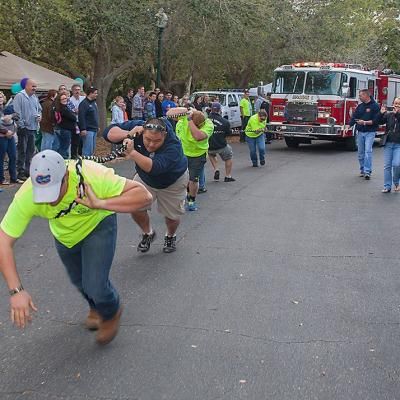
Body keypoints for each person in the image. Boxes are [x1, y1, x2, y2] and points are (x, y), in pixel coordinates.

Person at [0, 150, 152, 344]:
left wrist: (100, 203)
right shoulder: (27, 194)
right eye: (43, 193)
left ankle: (111, 311)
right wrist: (16, 290)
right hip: (65, 235)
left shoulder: (90, 175)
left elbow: (144, 196)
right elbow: (4, 240)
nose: (49, 200)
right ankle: (95, 306)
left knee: (95, 284)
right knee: (79, 281)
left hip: (97, 224)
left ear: (66, 176)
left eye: (53, 191)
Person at [104, 118, 188, 253]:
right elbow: (108, 133)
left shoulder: (174, 146)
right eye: (148, 139)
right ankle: (147, 233)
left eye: (157, 141)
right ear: (143, 131)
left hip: (172, 181)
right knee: (134, 205)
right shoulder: (138, 126)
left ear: (164, 136)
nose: (151, 145)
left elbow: (154, 167)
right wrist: (128, 134)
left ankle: (170, 236)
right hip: (145, 178)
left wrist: (131, 153)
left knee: (172, 216)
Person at [170, 108, 214, 211]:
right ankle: (182, 196)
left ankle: (191, 200)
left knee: (193, 179)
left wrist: (190, 122)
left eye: (199, 125)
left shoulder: (208, 125)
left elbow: (198, 136)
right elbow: (170, 113)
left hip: (198, 155)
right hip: (182, 153)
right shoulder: (186, 118)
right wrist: (184, 110)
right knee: (180, 178)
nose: (199, 127)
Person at [13, 79, 42, 181]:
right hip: (23, 128)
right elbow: (16, 112)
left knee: (30, 151)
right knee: (22, 151)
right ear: (26, 86)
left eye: (35, 86)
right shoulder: (19, 96)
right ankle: (20, 172)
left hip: (33, 128)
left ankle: (28, 171)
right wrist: (21, 125)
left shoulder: (34, 97)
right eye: (32, 86)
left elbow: (39, 109)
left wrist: (39, 116)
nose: (34, 88)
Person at [349, 89, 380, 180]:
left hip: (370, 132)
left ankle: (367, 171)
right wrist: (349, 125)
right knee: (360, 153)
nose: (359, 97)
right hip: (360, 132)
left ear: (367, 96)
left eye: (361, 95)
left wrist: (365, 122)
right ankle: (362, 170)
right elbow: (355, 117)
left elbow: (376, 121)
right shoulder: (360, 106)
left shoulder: (375, 106)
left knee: (368, 151)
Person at [376, 97, 400, 192]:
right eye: (395, 103)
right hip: (388, 143)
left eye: (398, 104)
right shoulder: (389, 115)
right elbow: (378, 121)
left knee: (397, 164)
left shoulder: (396, 115)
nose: (396, 105)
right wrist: (381, 113)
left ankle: (396, 182)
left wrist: (397, 114)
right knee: (387, 166)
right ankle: (387, 186)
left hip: (398, 144)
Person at [208, 102, 235, 182]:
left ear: (211, 109)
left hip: (209, 146)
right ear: (220, 110)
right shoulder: (225, 122)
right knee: (229, 157)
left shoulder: (205, 120)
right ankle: (228, 176)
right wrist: (231, 131)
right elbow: (228, 134)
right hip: (221, 145)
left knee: (211, 154)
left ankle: (216, 169)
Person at [0, 105, 20, 185]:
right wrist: (5, 132)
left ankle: (14, 178)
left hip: (10, 136)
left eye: (1, 97)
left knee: (13, 156)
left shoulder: (8, 108)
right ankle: (1, 179)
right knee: (1, 158)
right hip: (1, 137)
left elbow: (17, 116)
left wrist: (11, 115)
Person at [54, 91, 77, 159]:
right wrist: (73, 114)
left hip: (63, 129)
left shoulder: (62, 107)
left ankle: (63, 159)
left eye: (65, 98)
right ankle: (63, 160)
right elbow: (73, 117)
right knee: (64, 146)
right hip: (65, 130)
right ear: (59, 100)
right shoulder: (63, 109)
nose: (65, 100)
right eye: (63, 99)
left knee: (63, 146)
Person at [78, 87, 99, 157]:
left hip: (94, 129)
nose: (97, 95)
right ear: (90, 93)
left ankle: (90, 163)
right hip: (88, 129)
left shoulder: (94, 103)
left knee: (92, 149)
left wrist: (97, 126)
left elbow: (95, 116)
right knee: (87, 149)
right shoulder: (84, 104)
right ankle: (85, 163)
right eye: (95, 93)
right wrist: (83, 128)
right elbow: (81, 117)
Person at [69, 84, 85, 158]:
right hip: (75, 122)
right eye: (76, 90)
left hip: (83, 121)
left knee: (82, 140)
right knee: (75, 140)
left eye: (79, 90)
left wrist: (79, 111)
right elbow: (73, 111)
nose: (77, 91)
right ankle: (74, 155)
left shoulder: (83, 99)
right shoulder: (70, 100)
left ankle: (81, 154)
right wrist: (78, 111)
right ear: (72, 91)